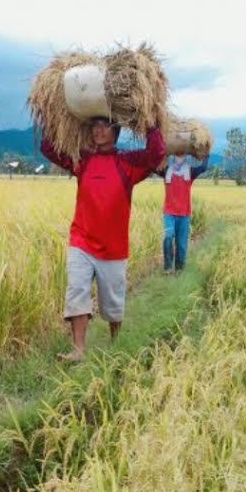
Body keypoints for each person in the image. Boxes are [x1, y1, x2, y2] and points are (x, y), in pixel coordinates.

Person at [41, 117, 165, 361]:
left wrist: (150, 124)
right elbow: (48, 149)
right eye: (94, 125)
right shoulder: (82, 160)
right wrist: (50, 118)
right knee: (77, 290)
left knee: (113, 303)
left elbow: (156, 154)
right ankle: (78, 349)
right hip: (82, 241)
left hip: (113, 248)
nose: (98, 130)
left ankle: (116, 343)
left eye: (104, 125)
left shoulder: (129, 162)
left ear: (116, 131)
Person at [157, 153, 208, 272]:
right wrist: (160, 153)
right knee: (168, 236)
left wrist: (206, 153)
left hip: (184, 214)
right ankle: (168, 268)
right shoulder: (166, 171)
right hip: (169, 212)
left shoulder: (190, 171)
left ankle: (179, 269)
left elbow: (203, 168)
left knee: (181, 244)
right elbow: (152, 166)